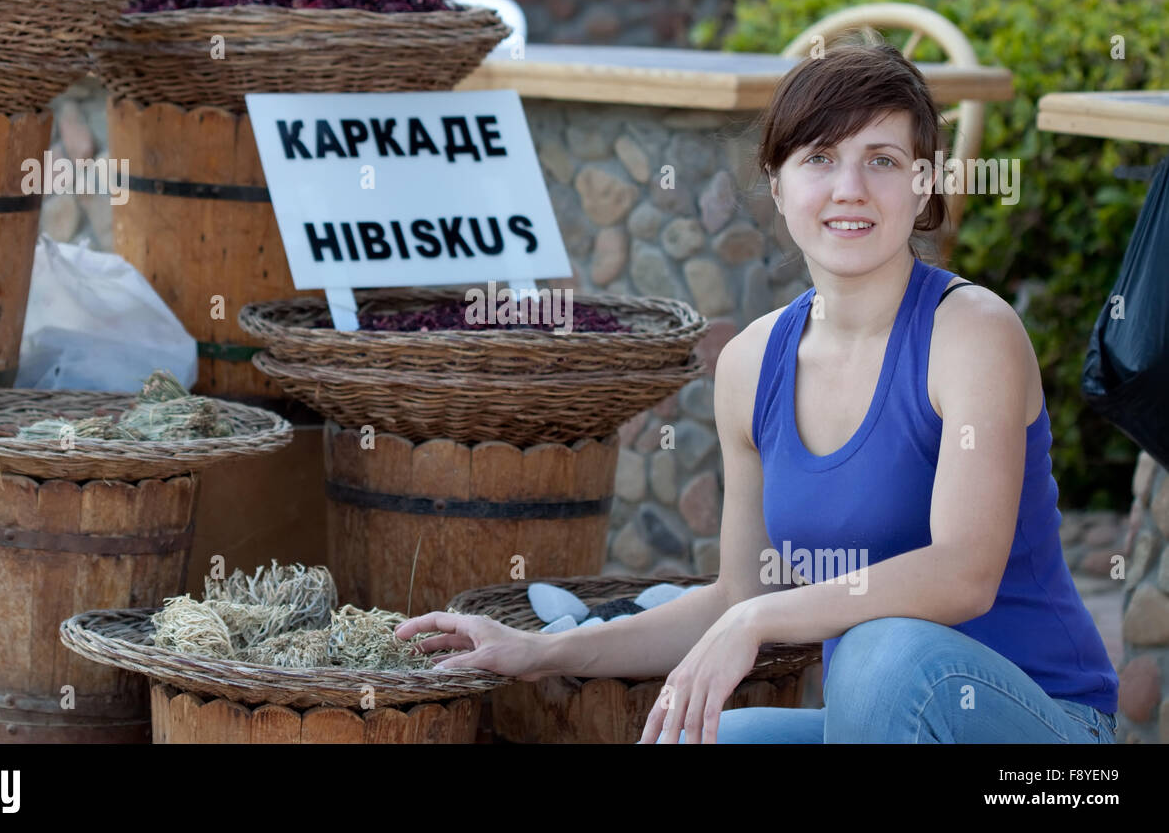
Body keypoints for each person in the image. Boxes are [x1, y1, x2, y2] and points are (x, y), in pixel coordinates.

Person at [394, 38, 1119, 744]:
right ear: (778, 185)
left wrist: (760, 623)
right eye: (820, 159)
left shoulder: (972, 334)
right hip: (869, 727)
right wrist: (544, 652)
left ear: (925, 183)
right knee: (696, 739)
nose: (850, 190)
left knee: (880, 653)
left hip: (1046, 745)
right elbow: (743, 597)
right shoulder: (751, 364)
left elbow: (964, 574)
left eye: (884, 161)